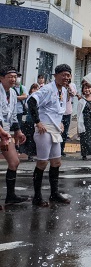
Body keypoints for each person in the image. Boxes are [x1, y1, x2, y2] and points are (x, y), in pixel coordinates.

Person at [27, 64, 73, 207]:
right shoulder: (47, 89)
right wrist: (37, 122)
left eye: (68, 75)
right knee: (42, 162)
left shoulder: (64, 91)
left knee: (57, 162)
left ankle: (54, 194)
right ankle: (37, 196)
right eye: (63, 74)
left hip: (55, 129)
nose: (66, 77)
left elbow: (57, 109)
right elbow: (31, 101)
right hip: (44, 129)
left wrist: (60, 123)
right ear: (56, 75)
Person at [0, 65, 28, 204]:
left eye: (15, 76)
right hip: (1, 131)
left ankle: (10, 196)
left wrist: (18, 131)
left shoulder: (12, 92)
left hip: (5, 131)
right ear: (1, 78)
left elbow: (13, 115)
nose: (13, 79)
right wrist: (2, 133)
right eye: (10, 76)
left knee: (14, 162)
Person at [60, 80, 76, 156]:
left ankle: (61, 149)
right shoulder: (59, 87)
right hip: (59, 113)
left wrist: (69, 86)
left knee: (65, 132)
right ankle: (56, 149)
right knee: (58, 131)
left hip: (68, 112)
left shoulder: (70, 87)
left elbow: (74, 93)